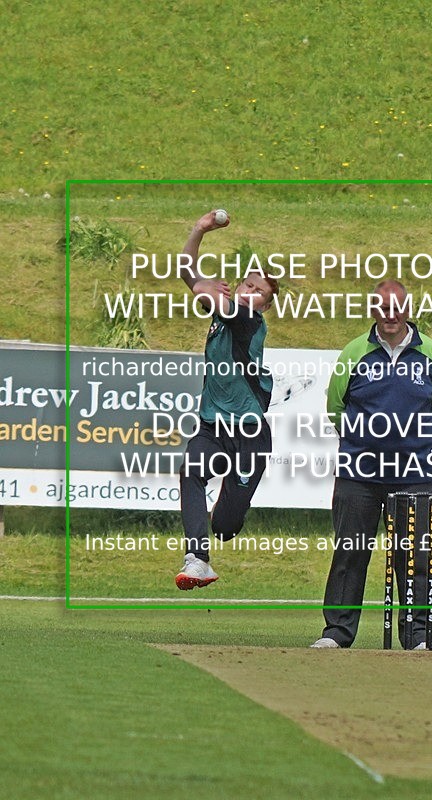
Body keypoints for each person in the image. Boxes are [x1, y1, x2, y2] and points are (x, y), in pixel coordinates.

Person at [311, 279, 432, 649]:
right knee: (350, 552)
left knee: (415, 557)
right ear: (374, 310)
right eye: (383, 307)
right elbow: (336, 407)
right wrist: (365, 443)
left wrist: (409, 442)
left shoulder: (431, 354)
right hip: (358, 473)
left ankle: (418, 637)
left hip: (413, 474)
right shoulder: (355, 352)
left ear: (408, 309)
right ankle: (337, 632)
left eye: (397, 307)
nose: (390, 315)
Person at [174, 210, 279, 589]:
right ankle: (197, 560)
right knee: (191, 470)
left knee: (225, 526)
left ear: (265, 305)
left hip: (249, 435)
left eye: (259, 291)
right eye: (247, 284)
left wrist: (204, 288)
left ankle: (224, 517)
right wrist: (199, 229)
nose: (249, 291)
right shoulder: (224, 314)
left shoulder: (249, 320)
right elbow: (186, 272)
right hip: (212, 426)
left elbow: (204, 291)